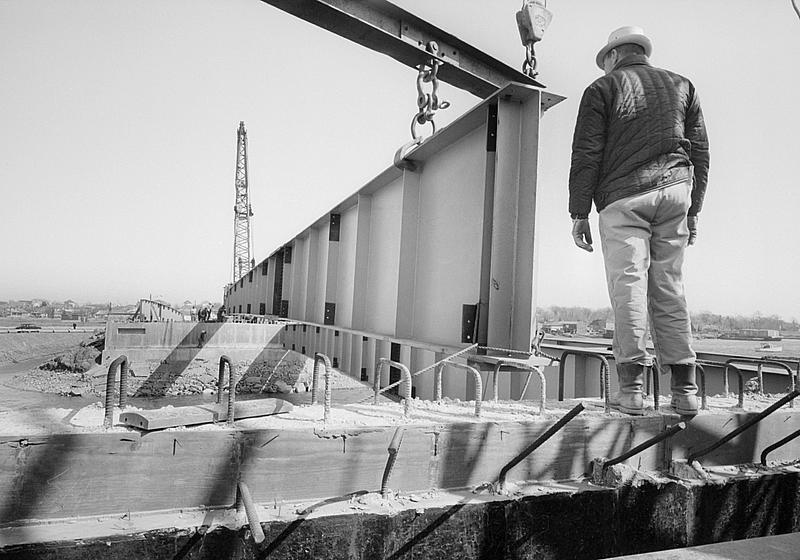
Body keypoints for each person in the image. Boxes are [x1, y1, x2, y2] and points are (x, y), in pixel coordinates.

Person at [568, 26, 709, 417]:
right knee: (669, 286)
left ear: (613, 56)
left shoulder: (602, 89)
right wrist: (693, 210)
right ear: (642, 52)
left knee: (628, 285)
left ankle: (630, 391)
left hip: (624, 196)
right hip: (676, 190)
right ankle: (685, 391)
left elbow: (587, 153)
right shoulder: (683, 85)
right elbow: (700, 153)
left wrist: (579, 211)